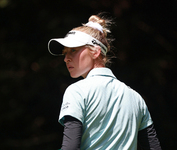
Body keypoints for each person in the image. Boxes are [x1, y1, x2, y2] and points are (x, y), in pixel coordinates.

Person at [48, 12, 162, 150]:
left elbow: (70, 147)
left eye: (73, 50)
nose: (66, 58)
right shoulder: (136, 98)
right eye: (65, 53)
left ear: (95, 52)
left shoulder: (77, 91)